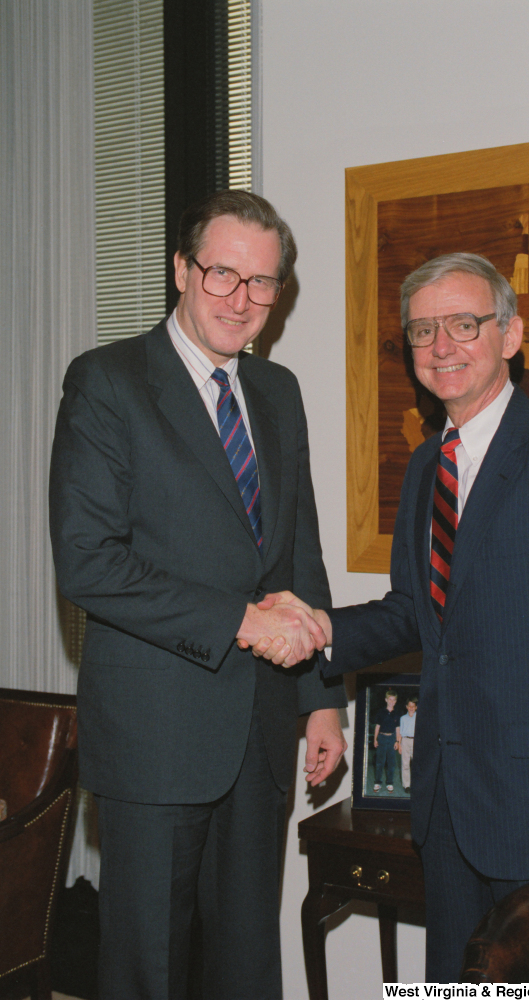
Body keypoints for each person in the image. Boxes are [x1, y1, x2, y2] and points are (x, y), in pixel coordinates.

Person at [250, 253, 529, 982]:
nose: (441, 346)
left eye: (463, 324)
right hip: (443, 807)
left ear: (509, 335)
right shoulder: (425, 467)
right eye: (422, 331)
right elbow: (417, 616)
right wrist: (319, 626)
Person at [49, 190, 347, 1000]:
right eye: (222, 274)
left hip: (259, 728)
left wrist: (321, 699)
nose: (240, 299)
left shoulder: (278, 393)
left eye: (262, 283)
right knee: (149, 966)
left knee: (247, 961)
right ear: (181, 270)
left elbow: (299, 555)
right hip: (154, 734)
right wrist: (242, 623)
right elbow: (88, 562)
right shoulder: (108, 382)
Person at [373, 689, 400, 792]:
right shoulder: (381, 712)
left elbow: (398, 728)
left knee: (391, 763)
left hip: (392, 738)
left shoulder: (397, 713)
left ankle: (389, 783)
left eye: (394, 700)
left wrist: (397, 741)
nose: (391, 701)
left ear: (396, 701)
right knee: (380, 762)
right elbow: (377, 726)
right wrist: (375, 739)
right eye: (390, 699)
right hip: (382, 738)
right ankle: (377, 782)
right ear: (386, 700)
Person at [396, 697, 417, 791]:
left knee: (417, 763)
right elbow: (401, 732)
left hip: (416, 741)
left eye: (413, 706)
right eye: (409, 706)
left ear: (416, 707)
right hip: (405, 740)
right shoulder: (403, 718)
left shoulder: (419, 717)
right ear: (406, 707)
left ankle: (417, 784)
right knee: (405, 764)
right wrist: (399, 744)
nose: (411, 708)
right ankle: (407, 785)